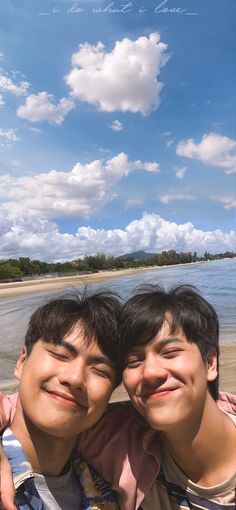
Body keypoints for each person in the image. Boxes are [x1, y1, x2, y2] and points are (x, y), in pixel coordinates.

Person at [1, 285, 236, 509]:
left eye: (170, 352)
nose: (151, 372)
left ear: (210, 362)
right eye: (134, 361)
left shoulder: (110, 450)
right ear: (22, 362)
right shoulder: (114, 439)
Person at [0, 290, 121, 510]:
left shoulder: (106, 489)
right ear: (21, 362)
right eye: (60, 355)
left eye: (100, 371)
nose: (74, 378)